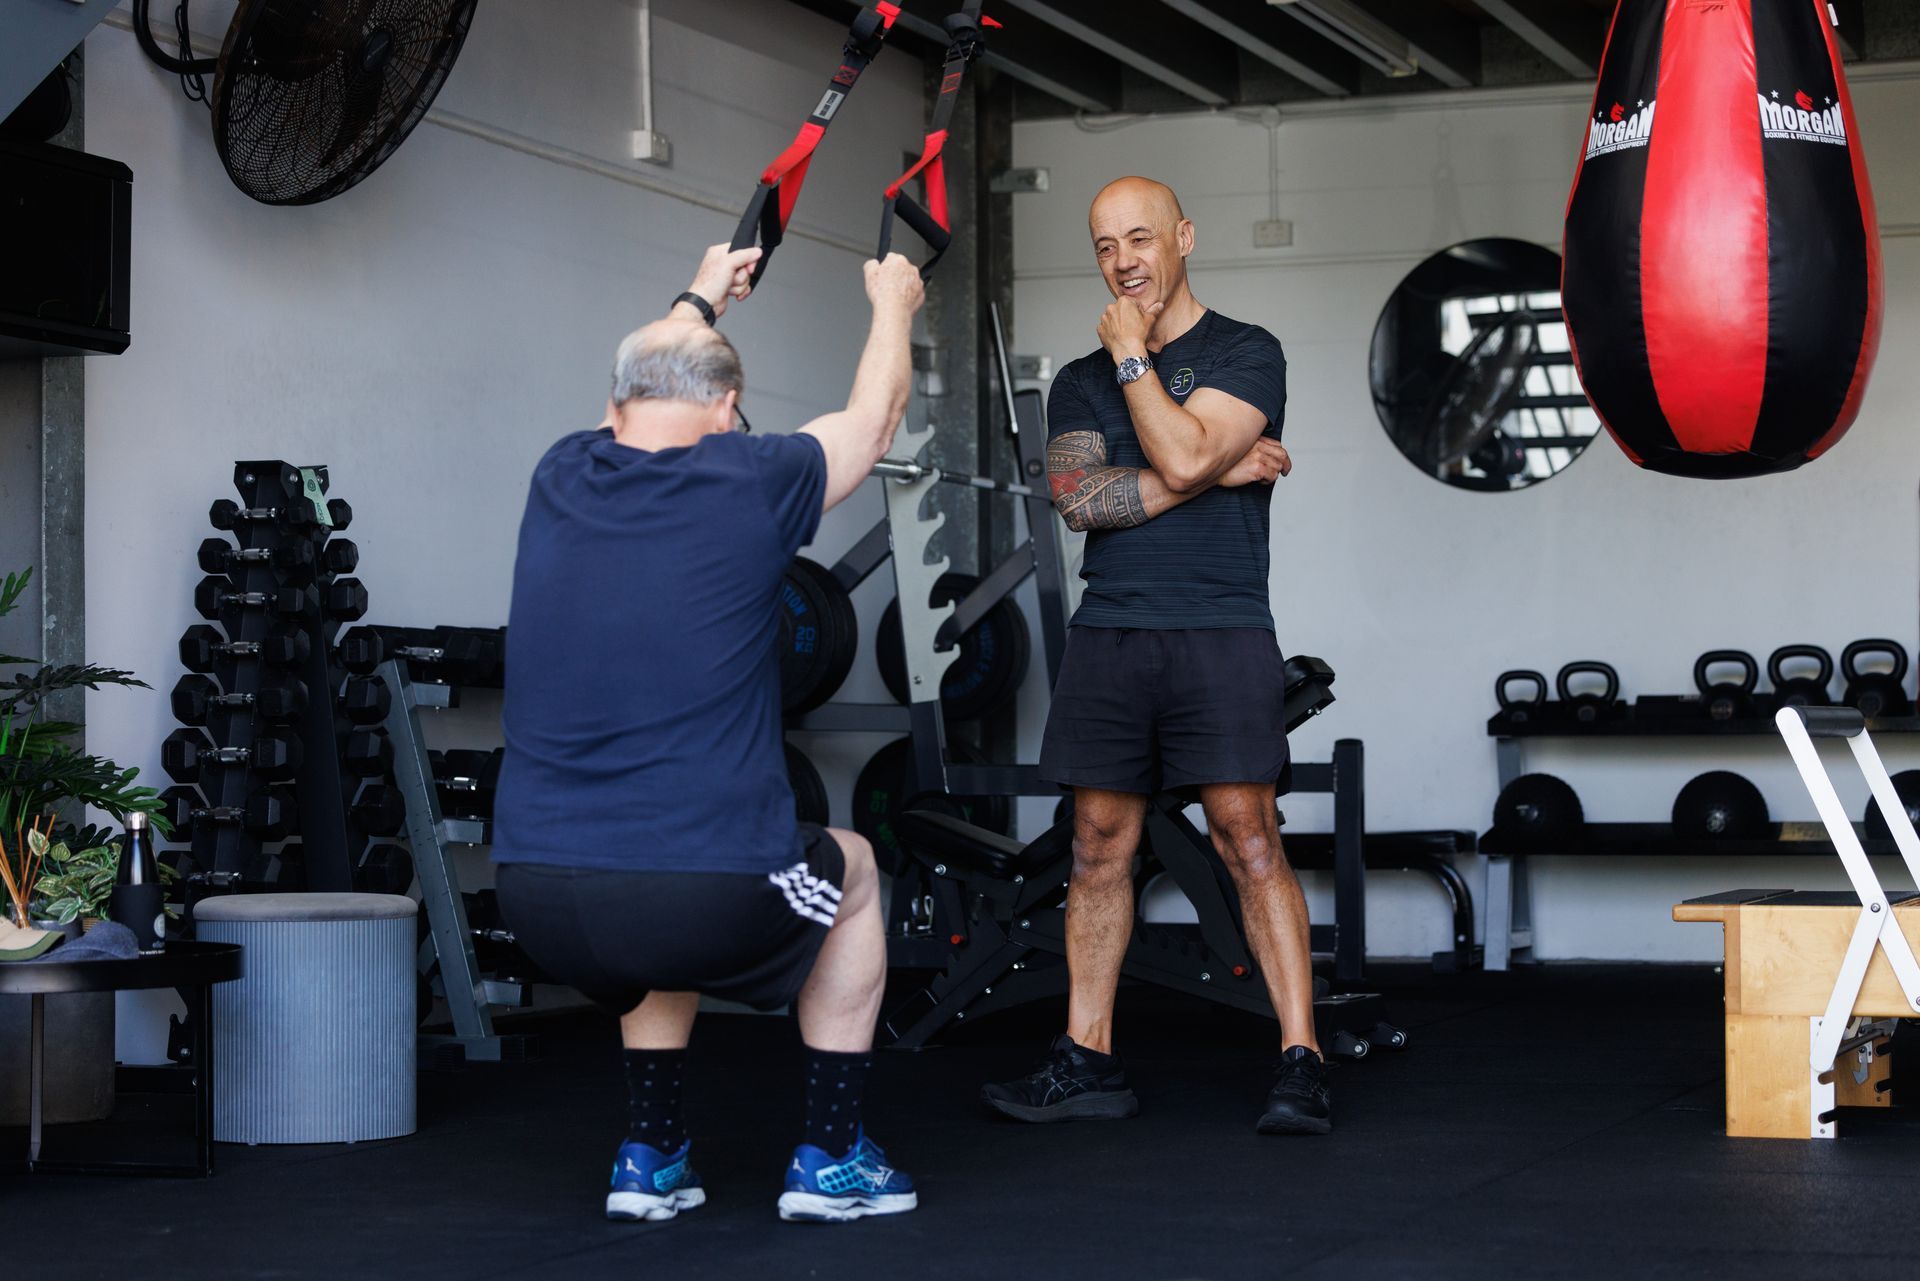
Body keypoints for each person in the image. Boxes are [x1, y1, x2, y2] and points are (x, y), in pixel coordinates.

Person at [491, 242, 928, 1222]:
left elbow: (647, 376)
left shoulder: (560, 472)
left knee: (652, 897)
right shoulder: (752, 478)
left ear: (611, 414)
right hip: (700, 892)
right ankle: (831, 1160)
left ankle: (648, 1156)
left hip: (534, 894)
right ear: (729, 414)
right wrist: (892, 304)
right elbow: (873, 419)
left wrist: (699, 293)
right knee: (853, 873)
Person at [980, 176, 1327, 1135]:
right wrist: (1217, 465)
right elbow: (1083, 502)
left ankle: (1301, 1057)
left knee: (1246, 836)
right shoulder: (1074, 381)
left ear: (1182, 236)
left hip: (1219, 623)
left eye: (1140, 237)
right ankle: (1087, 1058)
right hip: (1113, 630)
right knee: (1097, 845)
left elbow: (1172, 459)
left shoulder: (1246, 352)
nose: (1124, 260)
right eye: (1104, 245)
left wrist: (1139, 367)